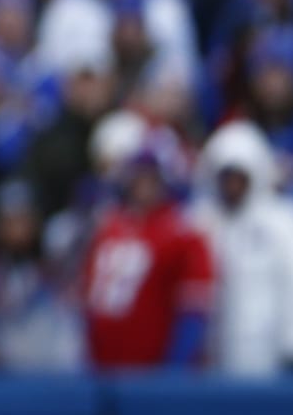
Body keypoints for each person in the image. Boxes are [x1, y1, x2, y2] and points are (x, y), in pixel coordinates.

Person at [189, 119, 293, 376]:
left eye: (240, 177)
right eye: (226, 177)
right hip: (211, 351)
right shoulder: (199, 221)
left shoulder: (284, 220)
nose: (232, 185)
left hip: (266, 349)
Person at [82, 131, 214, 369]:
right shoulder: (109, 227)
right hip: (102, 364)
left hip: (151, 368)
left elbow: (195, 308)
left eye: (151, 179)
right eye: (138, 178)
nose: (143, 186)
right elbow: (90, 298)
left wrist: (177, 363)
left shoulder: (183, 232)